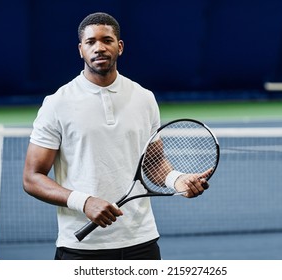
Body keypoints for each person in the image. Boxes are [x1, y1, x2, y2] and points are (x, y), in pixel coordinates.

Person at [23, 12, 210, 260]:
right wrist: (84, 201)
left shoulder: (144, 98)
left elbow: (154, 165)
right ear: (81, 49)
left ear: (119, 47)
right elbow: (32, 178)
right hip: (81, 247)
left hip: (141, 241)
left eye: (107, 40)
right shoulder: (57, 104)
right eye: (91, 42)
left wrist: (177, 181)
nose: (99, 47)